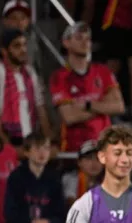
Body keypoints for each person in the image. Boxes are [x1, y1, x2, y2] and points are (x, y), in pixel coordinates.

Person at [50, 22, 125, 153]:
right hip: (74, 149)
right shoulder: (59, 77)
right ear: (66, 43)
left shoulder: (103, 71)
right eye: (79, 38)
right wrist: (103, 106)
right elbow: (69, 117)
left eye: (88, 39)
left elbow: (118, 106)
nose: (85, 43)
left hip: (103, 148)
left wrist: (87, 105)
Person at [0, 29, 51, 147]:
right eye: (17, 46)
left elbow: (40, 108)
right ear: (4, 51)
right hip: (4, 143)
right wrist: (7, 148)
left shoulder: (30, 72)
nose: (23, 50)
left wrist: (47, 142)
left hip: (30, 143)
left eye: (24, 45)